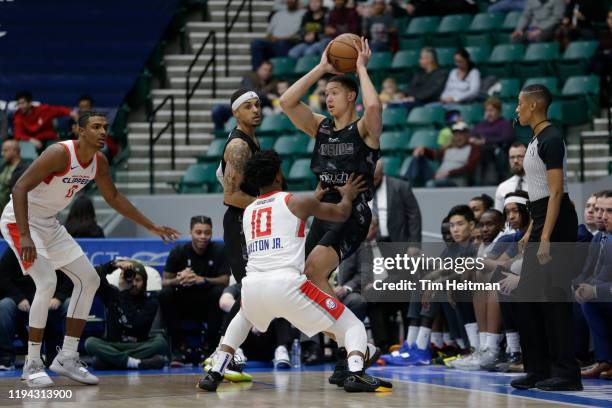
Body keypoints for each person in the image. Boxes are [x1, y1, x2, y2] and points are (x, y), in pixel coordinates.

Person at [0, 111, 179, 388]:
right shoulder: (59, 153)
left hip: (48, 223)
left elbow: (115, 198)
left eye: (105, 127)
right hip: (19, 219)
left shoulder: (99, 162)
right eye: (96, 127)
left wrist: (151, 226)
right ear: (80, 130)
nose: (103, 131)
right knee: (46, 281)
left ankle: (68, 357)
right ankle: (33, 362)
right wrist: (24, 235)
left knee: (90, 279)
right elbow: (19, 188)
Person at [197, 150, 391, 393]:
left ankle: (216, 371)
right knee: (352, 326)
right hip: (288, 286)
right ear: (278, 175)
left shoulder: (249, 211)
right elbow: (341, 213)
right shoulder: (296, 201)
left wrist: (313, 199)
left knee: (243, 319)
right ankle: (355, 372)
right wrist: (348, 195)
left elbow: (280, 217)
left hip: (253, 287)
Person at [510, 84, 582, 391]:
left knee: (554, 300)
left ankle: (567, 373)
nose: (516, 109)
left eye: (519, 104)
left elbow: (556, 191)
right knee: (526, 299)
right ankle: (538, 369)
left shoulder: (552, 138)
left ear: (535, 105)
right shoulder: (536, 139)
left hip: (556, 223)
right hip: (541, 219)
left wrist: (547, 237)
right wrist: (530, 230)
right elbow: (538, 193)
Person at [211, 88, 263, 381]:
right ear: (235, 112)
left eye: (258, 105)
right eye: (248, 106)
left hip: (251, 219)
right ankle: (222, 352)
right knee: (249, 289)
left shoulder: (252, 140)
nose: (256, 110)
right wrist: (271, 205)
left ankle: (225, 352)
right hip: (240, 221)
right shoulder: (239, 147)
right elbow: (231, 196)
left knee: (254, 290)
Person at [160, 216, 229, 365]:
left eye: (207, 232)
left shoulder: (220, 250)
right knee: (165, 294)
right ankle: (179, 349)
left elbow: (225, 280)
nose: (203, 237)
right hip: (183, 303)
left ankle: (209, 348)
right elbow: (164, 282)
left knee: (219, 292)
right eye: (198, 232)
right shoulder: (179, 251)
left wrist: (201, 279)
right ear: (190, 232)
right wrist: (178, 280)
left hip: (208, 304)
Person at [84, 259, 168, 370]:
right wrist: (114, 264)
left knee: (160, 343)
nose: (133, 283)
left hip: (139, 345)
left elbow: (136, 325)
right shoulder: (112, 294)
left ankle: (113, 361)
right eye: (129, 279)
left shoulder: (150, 301)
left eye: (138, 280)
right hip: (114, 345)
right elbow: (93, 276)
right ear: (121, 279)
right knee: (90, 343)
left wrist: (124, 294)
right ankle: (137, 363)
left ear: (144, 282)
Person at [0, 248, 71, 370]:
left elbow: (70, 277)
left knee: (69, 304)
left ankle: (65, 356)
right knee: (4, 306)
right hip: (22, 301)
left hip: (51, 299)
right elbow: (2, 277)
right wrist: (18, 298)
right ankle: (6, 358)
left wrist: (59, 297)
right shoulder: (13, 249)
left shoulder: (54, 248)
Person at [573, 191, 612, 380]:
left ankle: (582, 355)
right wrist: (578, 286)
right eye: (599, 210)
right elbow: (589, 270)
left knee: (591, 298)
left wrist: (593, 289)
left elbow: (604, 276)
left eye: (609, 211)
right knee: (586, 299)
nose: (601, 216)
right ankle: (605, 360)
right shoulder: (599, 237)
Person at [212, 62, 277, 133]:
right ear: (259, 69)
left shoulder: (273, 82)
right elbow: (249, 92)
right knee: (217, 110)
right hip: (242, 106)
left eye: (269, 70)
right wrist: (266, 96)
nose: (266, 72)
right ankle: (220, 135)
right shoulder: (250, 77)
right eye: (264, 69)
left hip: (259, 111)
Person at [413, 121, 481, 187]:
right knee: (418, 157)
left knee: (431, 184)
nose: (458, 138)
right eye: (456, 135)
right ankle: (406, 183)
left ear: (466, 135)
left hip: (454, 181)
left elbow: (470, 167)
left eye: (461, 134)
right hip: (438, 176)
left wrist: (448, 173)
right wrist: (423, 150)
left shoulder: (473, 148)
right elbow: (435, 155)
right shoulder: (449, 148)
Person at [12, 91, 78, 151]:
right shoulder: (18, 116)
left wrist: (71, 113)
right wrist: (31, 140)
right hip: (34, 143)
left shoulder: (43, 110)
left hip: (50, 140)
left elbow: (59, 110)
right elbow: (18, 134)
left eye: (22, 103)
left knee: (58, 150)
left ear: (30, 102)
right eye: (18, 104)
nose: (20, 106)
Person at [471, 97, 516, 185]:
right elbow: (472, 135)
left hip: (495, 155)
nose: (489, 113)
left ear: (499, 111)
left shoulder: (504, 124)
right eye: (487, 111)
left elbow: (507, 138)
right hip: (478, 154)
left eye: (491, 110)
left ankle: (488, 182)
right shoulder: (481, 125)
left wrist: (486, 141)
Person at [250, 0, 305, 70]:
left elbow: (298, 36)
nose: (290, 1)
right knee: (256, 44)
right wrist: (271, 38)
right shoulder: (278, 14)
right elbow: (268, 34)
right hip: (273, 43)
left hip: (289, 44)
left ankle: (279, 71)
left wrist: (279, 38)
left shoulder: (303, 14)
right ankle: (257, 72)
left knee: (282, 44)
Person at [494, 143, 528, 211]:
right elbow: (498, 217)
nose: (515, 161)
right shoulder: (502, 187)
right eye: (512, 157)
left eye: (520, 156)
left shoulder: (538, 183)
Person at [0, 140, 28, 211]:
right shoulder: (4, 166)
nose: (2, 153)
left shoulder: (23, 169)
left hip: (9, 205)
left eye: (5, 150)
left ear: (15, 151)